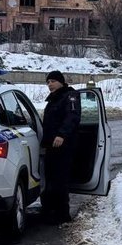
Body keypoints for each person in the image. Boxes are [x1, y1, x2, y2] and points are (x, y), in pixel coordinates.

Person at [40, 70, 81, 224]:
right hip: (51, 146)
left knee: (60, 180)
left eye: (53, 81)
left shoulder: (70, 96)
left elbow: (72, 117)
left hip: (64, 145)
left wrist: (62, 135)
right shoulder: (53, 100)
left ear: (61, 82)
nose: (50, 84)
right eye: (48, 82)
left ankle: (63, 214)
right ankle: (48, 211)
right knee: (50, 179)